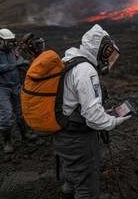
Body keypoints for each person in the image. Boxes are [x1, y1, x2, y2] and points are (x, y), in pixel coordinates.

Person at [52, 24, 131, 198]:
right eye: (107, 55)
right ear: (100, 50)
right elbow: (94, 117)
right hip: (78, 140)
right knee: (86, 190)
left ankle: (67, 193)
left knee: (72, 176)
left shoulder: (69, 60)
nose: (108, 61)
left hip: (61, 134)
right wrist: (113, 121)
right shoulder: (86, 71)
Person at [0, 28, 34, 154]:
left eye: (12, 41)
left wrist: (23, 62)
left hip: (16, 86)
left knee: (21, 112)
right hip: (1, 87)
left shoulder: (12, 51)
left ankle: (26, 134)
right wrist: (15, 65)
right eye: (8, 41)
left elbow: (18, 61)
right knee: (6, 114)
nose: (11, 43)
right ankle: (7, 142)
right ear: (0, 40)